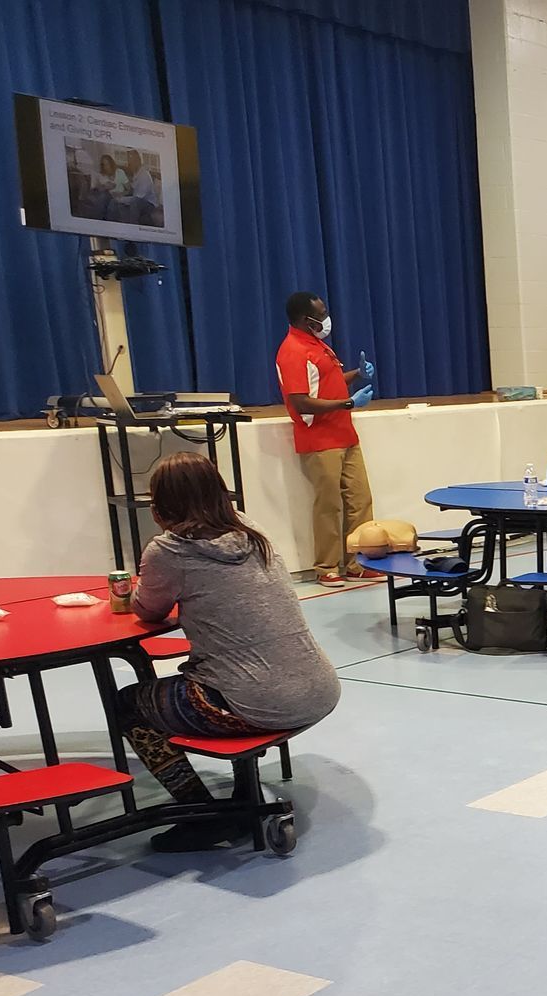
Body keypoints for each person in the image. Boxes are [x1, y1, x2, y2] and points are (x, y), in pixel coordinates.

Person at [122, 454, 341, 850]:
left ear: (160, 507)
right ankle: (244, 798)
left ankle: (203, 815)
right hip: (319, 687)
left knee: (128, 705)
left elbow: (146, 608)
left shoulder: (169, 551)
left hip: (256, 700)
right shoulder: (250, 528)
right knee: (236, 676)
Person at [276, 290, 376, 584]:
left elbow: (327, 384)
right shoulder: (292, 350)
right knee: (329, 504)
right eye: (321, 314)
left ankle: (358, 562)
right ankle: (326, 566)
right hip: (320, 439)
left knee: (360, 500)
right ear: (306, 320)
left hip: (345, 434)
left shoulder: (318, 345)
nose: (326, 318)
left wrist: (357, 374)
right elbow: (301, 401)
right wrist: (348, 403)